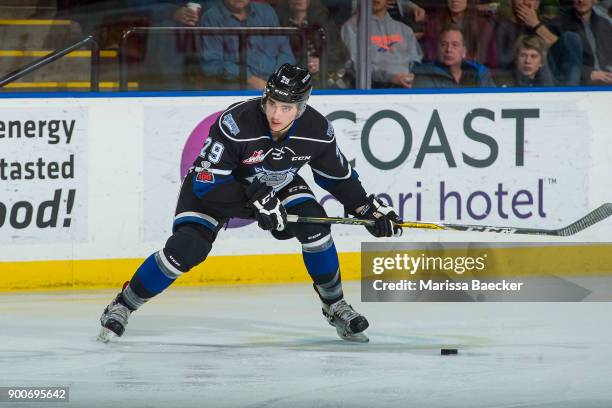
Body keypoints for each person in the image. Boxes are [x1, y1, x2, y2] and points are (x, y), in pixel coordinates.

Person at [98, 64, 403, 344]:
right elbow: (207, 181)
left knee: (315, 225)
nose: (276, 114)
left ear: (301, 107)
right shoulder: (236, 123)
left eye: (286, 107)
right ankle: (123, 305)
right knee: (186, 250)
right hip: (219, 187)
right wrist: (255, 202)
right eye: (271, 102)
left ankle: (334, 305)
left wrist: (366, 208)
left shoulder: (317, 131)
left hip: (274, 185)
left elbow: (337, 178)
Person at [200, 0, 296, 89]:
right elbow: (211, 64)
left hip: (276, 86)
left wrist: (276, 79)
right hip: (236, 88)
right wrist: (249, 78)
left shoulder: (266, 11)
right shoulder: (211, 18)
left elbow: (285, 52)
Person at [495, 0, 583, 86]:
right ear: (510, 2)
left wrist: (536, 25)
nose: (526, 2)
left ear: (537, 3)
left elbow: (568, 52)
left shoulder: (551, 25)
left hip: (552, 81)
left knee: (571, 37)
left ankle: (569, 92)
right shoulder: (501, 27)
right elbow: (503, 62)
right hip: (517, 82)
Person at [341, 0, 423, 88]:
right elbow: (354, 66)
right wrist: (390, 77)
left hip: (407, 89)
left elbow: (416, 63)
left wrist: (409, 77)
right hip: (370, 90)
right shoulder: (351, 27)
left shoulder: (405, 30)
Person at [275, 0, 353, 88]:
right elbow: (277, 56)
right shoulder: (280, 24)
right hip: (292, 82)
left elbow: (342, 54)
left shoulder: (324, 24)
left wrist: (322, 62)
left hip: (324, 82)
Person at [548, 0, 612, 84]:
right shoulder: (558, 24)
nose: (581, 1)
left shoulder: (605, 24)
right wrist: (589, 73)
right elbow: (556, 63)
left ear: (594, 1)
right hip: (579, 85)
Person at [420, 0, 497, 68]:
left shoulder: (482, 26)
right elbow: (431, 57)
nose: (455, 1)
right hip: (440, 74)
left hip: (472, 75)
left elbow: (487, 61)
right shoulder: (434, 24)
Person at [412, 27, 496, 87]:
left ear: (464, 52)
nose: (448, 49)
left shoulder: (479, 74)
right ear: (437, 50)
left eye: (455, 45)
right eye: (444, 45)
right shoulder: (423, 74)